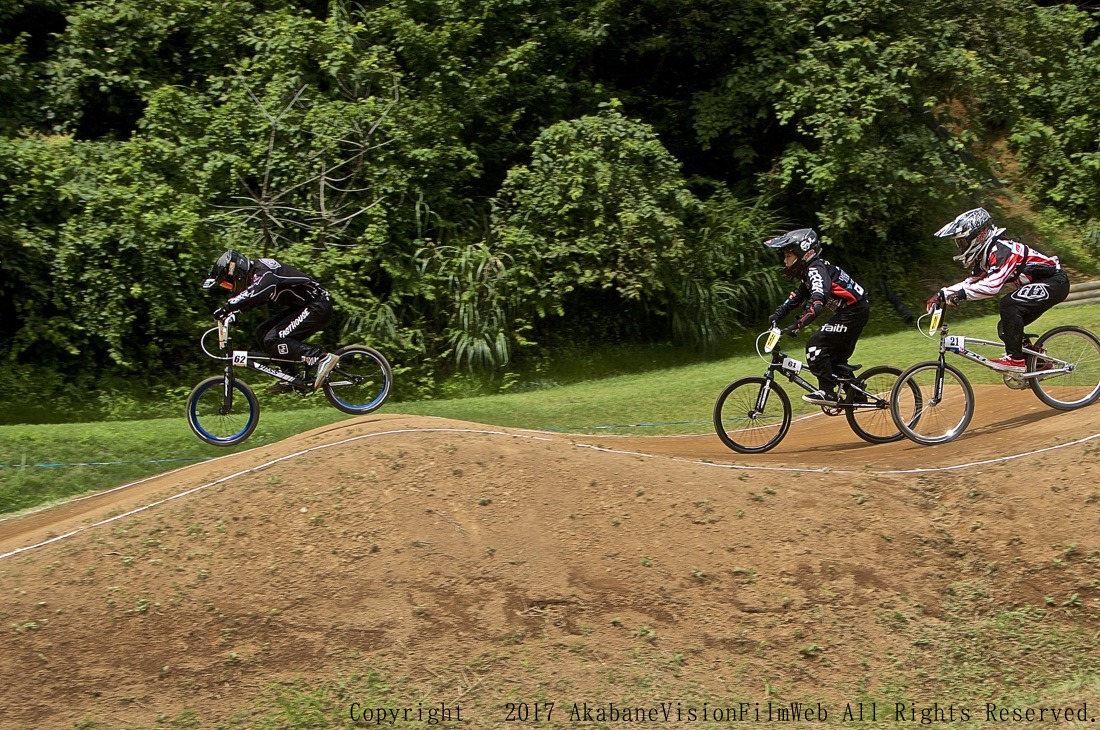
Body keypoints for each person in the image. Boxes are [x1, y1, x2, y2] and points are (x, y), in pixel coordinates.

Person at [926, 207, 1070, 372]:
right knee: (1006, 328)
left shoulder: (1001, 250)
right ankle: (1037, 363)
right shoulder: (986, 255)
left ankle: (1015, 360)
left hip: (1054, 282)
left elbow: (992, 286)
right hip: (1044, 284)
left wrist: (961, 295)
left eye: (962, 242)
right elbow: (971, 282)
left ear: (979, 235)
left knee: (1009, 304)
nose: (961, 247)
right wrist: (942, 294)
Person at [202, 250, 339, 392]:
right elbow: (255, 297)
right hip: (304, 306)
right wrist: (236, 312)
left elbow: (258, 292)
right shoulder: (256, 275)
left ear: (235, 271)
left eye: (227, 284)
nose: (230, 288)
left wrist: (227, 307)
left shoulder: (263, 272)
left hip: (317, 305)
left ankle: (321, 358)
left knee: (274, 338)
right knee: (262, 332)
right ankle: (290, 375)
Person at [765, 228, 870, 406]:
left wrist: (796, 326)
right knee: (834, 360)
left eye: (788, 256)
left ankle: (827, 393)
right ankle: (856, 396)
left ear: (803, 254)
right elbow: (798, 297)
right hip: (853, 311)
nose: (785, 261)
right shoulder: (810, 271)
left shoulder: (816, 270)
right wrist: (778, 314)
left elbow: (816, 304)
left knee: (815, 346)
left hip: (853, 312)